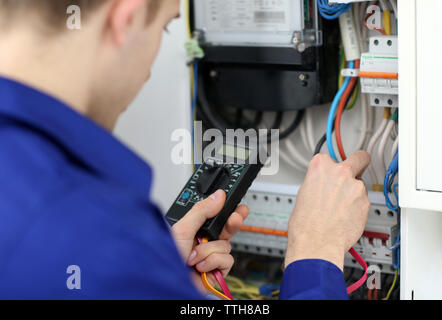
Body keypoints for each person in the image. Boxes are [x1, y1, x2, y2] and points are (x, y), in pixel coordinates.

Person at [0, 0, 371, 300]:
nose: (149, 69)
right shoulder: (99, 242)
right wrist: (315, 252)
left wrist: (164, 276)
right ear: (125, 19)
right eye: (163, 27)